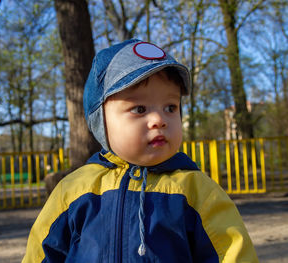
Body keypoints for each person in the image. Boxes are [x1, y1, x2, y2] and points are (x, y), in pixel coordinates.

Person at [22, 39, 258, 262]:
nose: (159, 119)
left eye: (170, 107)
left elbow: (231, 253)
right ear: (101, 120)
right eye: (140, 108)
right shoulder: (74, 190)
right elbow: (42, 253)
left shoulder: (196, 191)